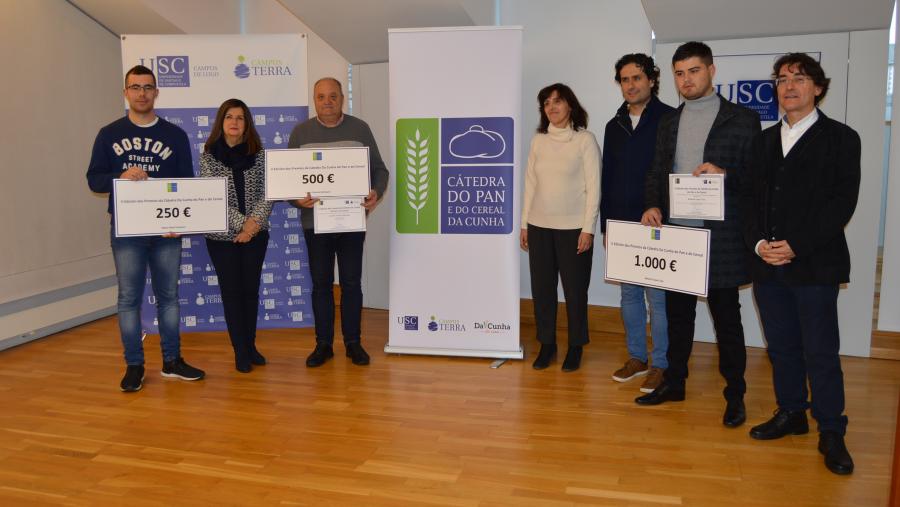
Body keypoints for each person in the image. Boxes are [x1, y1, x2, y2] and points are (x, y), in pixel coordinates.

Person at [743, 53, 859, 475]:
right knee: (782, 348)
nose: (789, 85)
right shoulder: (763, 141)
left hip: (815, 266)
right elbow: (748, 201)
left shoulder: (842, 139)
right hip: (767, 266)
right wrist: (758, 244)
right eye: (782, 79)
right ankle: (791, 413)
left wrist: (796, 245)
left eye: (800, 78)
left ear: (819, 88)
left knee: (820, 351)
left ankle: (831, 429)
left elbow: (840, 205)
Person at [635, 42, 760, 430]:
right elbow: (658, 169)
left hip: (720, 240)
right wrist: (653, 204)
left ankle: (735, 396)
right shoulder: (670, 121)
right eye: (679, 73)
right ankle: (675, 384)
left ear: (711, 71)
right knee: (677, 319)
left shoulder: (743, 119)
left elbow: (758, 179)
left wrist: (727, 175)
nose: (686, 79)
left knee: (727, 323)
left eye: (694, 71)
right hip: (678, 238)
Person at [86, 65, 205, 392]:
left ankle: (172, 362)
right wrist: (119, 178)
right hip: (127, 231)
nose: (141, 93)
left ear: (156, 92)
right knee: (128, 299)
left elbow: (187, 184)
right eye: (135, 87)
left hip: (166, 229)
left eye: (147, 87)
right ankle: (134, 365)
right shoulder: (108, 134)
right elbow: (94, 179)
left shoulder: (175, 135)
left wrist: (180, 223)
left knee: (169, 296)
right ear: (126, 92)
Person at [288, 77, 389, 367]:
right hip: (314, 223)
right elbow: (289, 180)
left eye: (333, 96)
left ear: (342, 98)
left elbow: (380, 170)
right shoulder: (300, 132)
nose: (327, 101)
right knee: (321, 284)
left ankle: (353, 343)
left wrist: (375, 192)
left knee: (351, 283)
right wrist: (297, 199)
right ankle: (323, 345)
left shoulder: (360, 129)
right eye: (321, 97)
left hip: (350, 219)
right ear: (315, 100)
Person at [601, 53, 675, 392]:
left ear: (652, 80)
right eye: (625, 80)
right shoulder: (613, 125)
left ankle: (660, 364)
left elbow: (671, 171)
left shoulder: (670, 119)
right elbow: (608, 177)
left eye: (637, 78)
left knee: (658, 300)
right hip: (621, 225)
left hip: (656, 223)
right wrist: (606, 226)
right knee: (629, 296)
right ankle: (637, 357)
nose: (631, 85)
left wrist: (657, 205)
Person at [520, 83, 601, 372]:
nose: (552, 107)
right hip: (539, 226)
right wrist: (524, 223)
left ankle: (576, 346)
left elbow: (594, 188)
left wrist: (588, 228)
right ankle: (548, 345)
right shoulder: (538, 141)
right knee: (542, 290)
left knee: (575, 291)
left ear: (570, 106)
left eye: (558, 101)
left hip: (573, 230)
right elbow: (530, 183)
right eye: (546, 103)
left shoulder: (585, 140)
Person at [200, 99, 273, 373]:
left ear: (247, 123)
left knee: (250, 292)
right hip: (222, 239)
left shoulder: (260, 154)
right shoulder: (209, 156)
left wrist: (252, 227)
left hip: (256, 235)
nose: (234, 122)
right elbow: (214, 199)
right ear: (221, 122)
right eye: (229, 117)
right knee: (231, 294)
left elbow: (269, 192)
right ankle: (239, 351)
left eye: (240, 118)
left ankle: (251, 345)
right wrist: (244, 225)